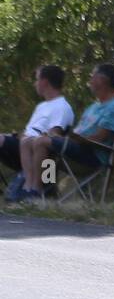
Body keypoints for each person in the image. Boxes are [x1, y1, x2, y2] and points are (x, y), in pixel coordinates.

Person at [17, 63, 114, 201]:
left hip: (92, 155)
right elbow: (77, 131)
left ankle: (36, 190)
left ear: (102, 80)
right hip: (78, 147)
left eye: (93, 76)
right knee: (33, 141)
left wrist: (73, 139)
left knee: (42, 142)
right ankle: (41, 189)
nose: (90, 80)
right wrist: (61, 137)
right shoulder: (93, 107)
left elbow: (100, 137)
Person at [2, 65, 75, 200]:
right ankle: (20, 187)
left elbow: (55, 133)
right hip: (25, 145)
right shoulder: (41, 106)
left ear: (44, 82)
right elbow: (28, 130)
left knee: (23, 141)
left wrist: (26, 137)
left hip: (41, 151)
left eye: (36, 80)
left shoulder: (62, 106)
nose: (35, 84)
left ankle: (31, 187)